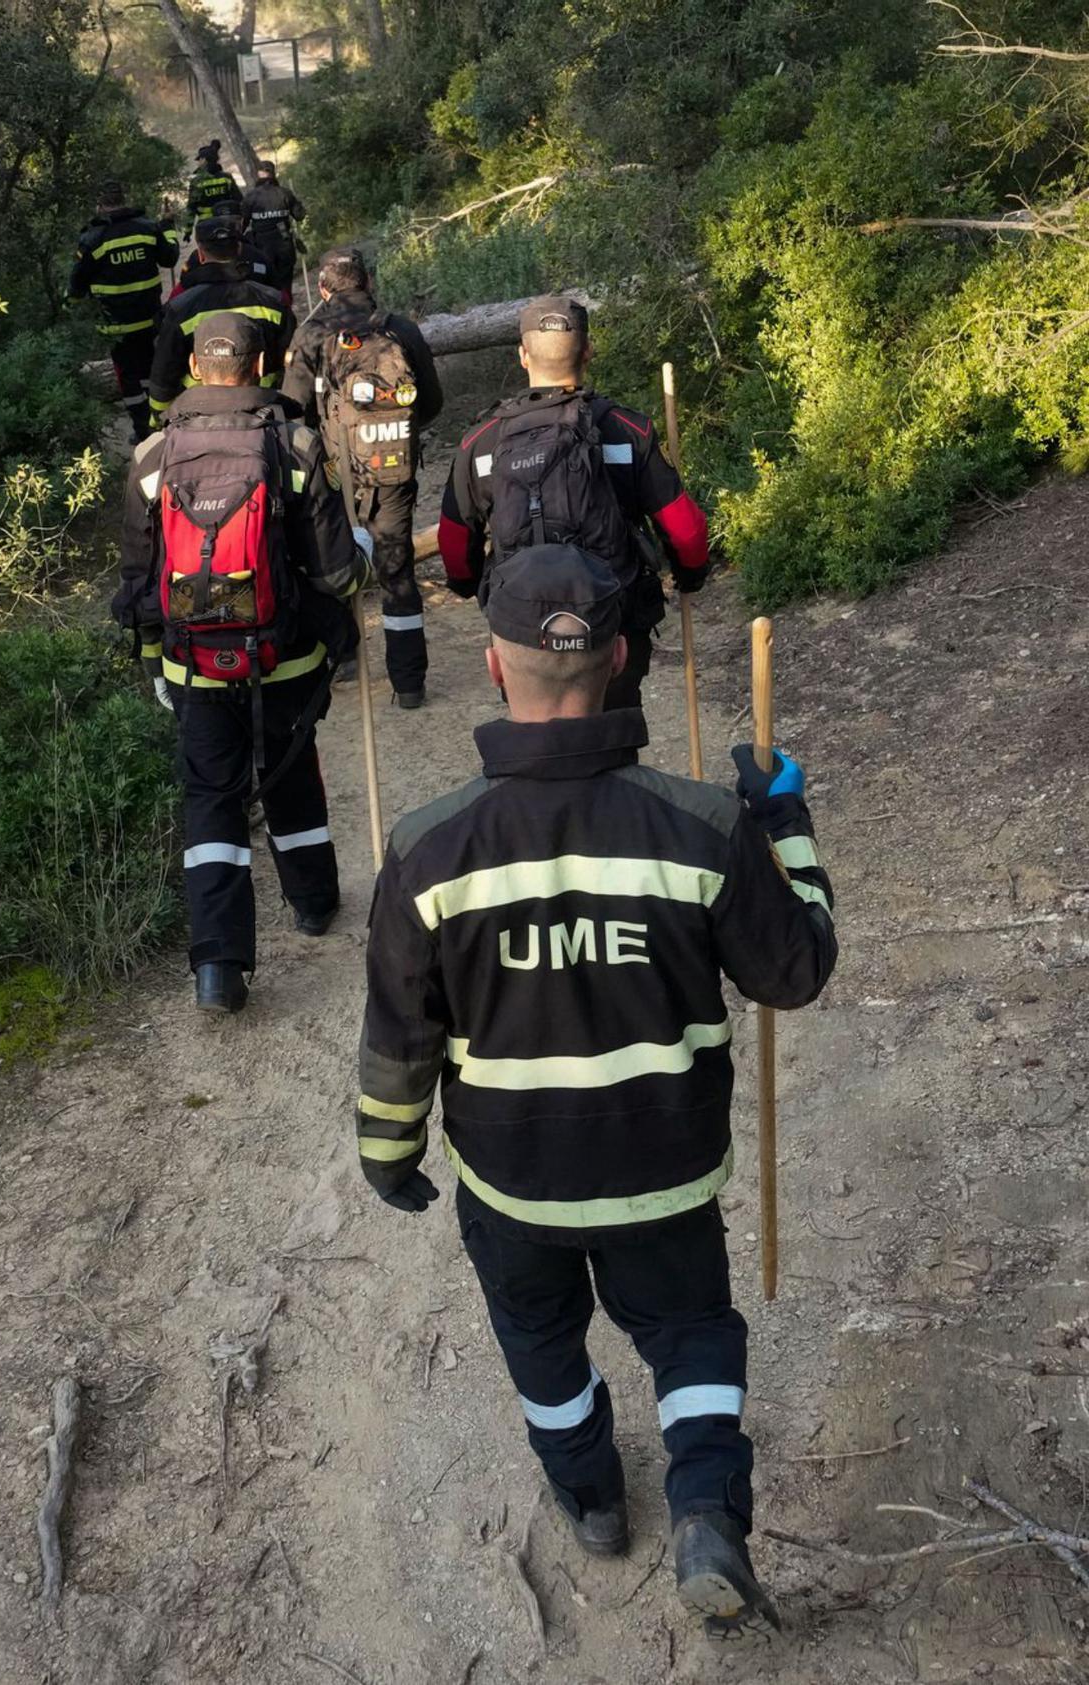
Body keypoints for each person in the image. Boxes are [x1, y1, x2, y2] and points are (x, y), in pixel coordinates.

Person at [356, 545, 836, 1637]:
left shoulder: (427, 850)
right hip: (663, 1171)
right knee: (693, 1331)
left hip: (512, 1182)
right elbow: (796, 969)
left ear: (490, 667)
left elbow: (399, 1035)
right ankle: (707, 1504)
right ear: (620, 660)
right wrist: (787, 826)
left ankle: (589, 1493)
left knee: (539, 1338)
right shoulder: (702, 827)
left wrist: (388, 1155)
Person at [113, 312, 371, 1013]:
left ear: (196, 370)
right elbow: (333, 571)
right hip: (283, 660)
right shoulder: (294, 445)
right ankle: (314, 905)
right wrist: (358, 584)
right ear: (261, 367)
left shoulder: (152, 455)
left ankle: (218, 968)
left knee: (210, 800)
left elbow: (139, 578)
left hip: (194, 667)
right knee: (291, 779)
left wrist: (152, 660)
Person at [437, 295, 710, 710]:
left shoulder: (481, 443)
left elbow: (455, 541)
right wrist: (690, 575)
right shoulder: (627, 429)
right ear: (588, 351)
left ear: (523, 356)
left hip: (522, 631)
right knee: (615, 737)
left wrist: (467, 584)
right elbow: (686, 530)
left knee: (536, 744)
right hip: (613, 626)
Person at [283, 246, 443, 708]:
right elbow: (429, 404)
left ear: (324, 288)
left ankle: (347, 659)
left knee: (333, 565)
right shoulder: (401, 329)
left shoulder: (311, 335)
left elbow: (292, 413)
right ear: (368, 282)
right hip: (393, 472)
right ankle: (409, 684)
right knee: (397, 571)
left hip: (333, 475)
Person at [148, 217, 296, 429]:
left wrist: (158, 420)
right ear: (238, 249)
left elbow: (164, 372)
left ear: (200, 253)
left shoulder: (180, 309)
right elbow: (294, 362)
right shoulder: (274, 301)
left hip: (200, 415)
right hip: (264, 410)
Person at [68, 179, 179, 442]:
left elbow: (77, 284)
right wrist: (168, 228)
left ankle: (143, 432)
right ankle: (163, 423)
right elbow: (170, 257)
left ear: (100, 204)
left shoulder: (92, 239)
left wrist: (68, 308)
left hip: (116, 327)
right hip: (151, 319)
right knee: (153, 370)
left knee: (129, 379)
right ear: (124, 198)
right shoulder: (148, 228)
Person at [242, 159, 306, 289]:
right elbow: (300, 216)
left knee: (266, 282)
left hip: (261, 248)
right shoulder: (285, 193)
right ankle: (286, 303)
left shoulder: (250, 197)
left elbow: (242, 223)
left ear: (258, 174)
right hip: (285, 246)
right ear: (273, 173)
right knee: (285, 282)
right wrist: (298, 204)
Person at [180, 198, 270, 284]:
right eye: (223, 222)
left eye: (233, 222)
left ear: (242, 221)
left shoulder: (258, 253)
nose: (229, 227)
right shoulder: (258, 255)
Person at [184, 139, 239, 238]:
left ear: (204, 160)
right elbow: (238, 200)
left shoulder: (197, 182)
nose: (198, 163)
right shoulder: (226, 178)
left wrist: (188, 231)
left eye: (199, 160)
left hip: (206, 225)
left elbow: (191, 208)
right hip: (227, 223)